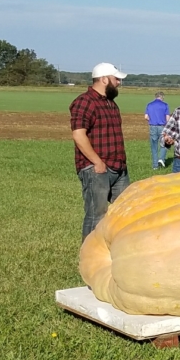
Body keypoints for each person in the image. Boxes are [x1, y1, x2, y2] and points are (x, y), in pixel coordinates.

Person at [71, 63, 129, 241]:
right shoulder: (84, 102)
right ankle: (90, 258)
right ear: (104, 79)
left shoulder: (111, 104)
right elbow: (78, 134)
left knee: (125, 212)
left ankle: (117, 250)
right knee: (96, 215)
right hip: (96, 169)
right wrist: (97, 162)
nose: (119, 82)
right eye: (116, 79)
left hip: (118, 168)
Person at [145, 91, 170, 169]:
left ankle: (155, 166)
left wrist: (151, 120)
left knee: (154, 146)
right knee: (165, 144)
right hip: (162, 127)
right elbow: (168, 118)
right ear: (162, 97)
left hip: (152, 126)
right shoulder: (165, 105)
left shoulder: (149, 105)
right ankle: (161, 159)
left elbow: (146, 117)